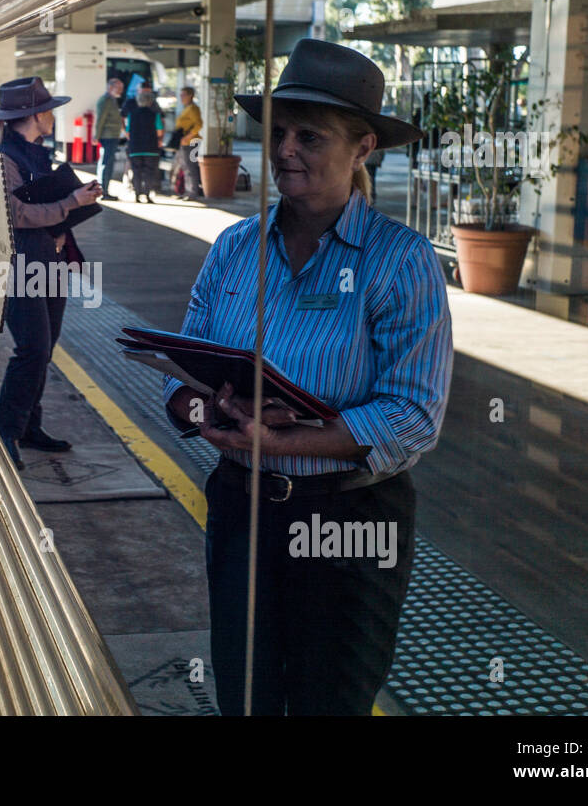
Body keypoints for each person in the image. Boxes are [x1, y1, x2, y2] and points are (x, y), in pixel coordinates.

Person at [162, 39, 452, 716]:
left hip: (348, 522)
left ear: (363, 148)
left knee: (331, 700)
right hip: (241, 512)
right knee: (246, 698)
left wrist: (286, 442)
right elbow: (181, 372)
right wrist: (203, 415)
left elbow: (414, 414)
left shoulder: (401, 262)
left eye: (310, 136)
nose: (285, 148)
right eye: (280, 131)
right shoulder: (235, 249)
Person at [0, 77, 102, 470]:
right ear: (34, 116)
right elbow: (14, 215)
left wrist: (66, 223)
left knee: (43, 350)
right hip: (15, 266)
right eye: (49, 110)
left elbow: (42, 205)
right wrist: (71, 202)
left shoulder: (35, 152)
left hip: (47, 263)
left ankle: (30, 427)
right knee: (31, 350)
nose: (52, 117)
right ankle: (6, 433)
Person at [126, 86, 164, 202]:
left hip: (135, 147)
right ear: (150, 102)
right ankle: (147, 195)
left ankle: (137, 195)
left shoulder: (131, 115)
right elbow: (159, 131)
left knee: (136, 171)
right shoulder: (155, 114)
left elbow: (128, 131)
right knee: (149, 172)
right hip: (151, 148)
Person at [170, 86, 203, 200]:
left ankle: (193, 191)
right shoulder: (186, 108)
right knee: (184, 166)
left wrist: (188, 136)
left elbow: (198, 124)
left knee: (190, 167)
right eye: (181, 94)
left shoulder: (193, 109)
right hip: (184, 142)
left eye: (184, 95)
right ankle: (186, 190)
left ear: (190, 96)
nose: (181, 97)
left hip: (191, 141)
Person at [94, 77, 124, 201]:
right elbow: (100, 119)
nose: (121, 91)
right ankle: (103, 191)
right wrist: (96, 136)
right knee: (106, 163)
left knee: (107, 163)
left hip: (112, 136)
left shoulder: (112, 100)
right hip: (108, 136)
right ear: (111, 87)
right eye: (119, 88)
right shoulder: (105, 100)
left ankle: (104, 190)